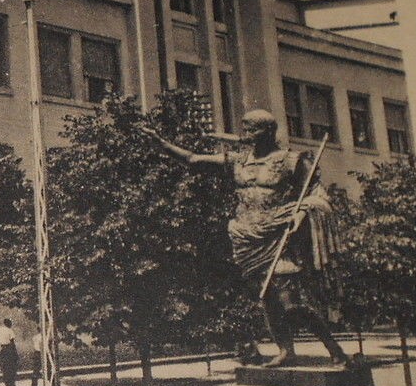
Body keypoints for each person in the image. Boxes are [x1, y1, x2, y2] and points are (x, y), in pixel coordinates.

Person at [142, 109, 351, 368]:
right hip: (247, 239)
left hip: (278, 235)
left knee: (291, 302)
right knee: (267, 299)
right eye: (246, 129)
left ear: (269, 132)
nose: (248, 135)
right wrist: (162, 144)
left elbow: (317, 193)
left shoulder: (291, 160)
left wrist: (303, 211)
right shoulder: (237, 161)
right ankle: (286, 350)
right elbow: (194, 160)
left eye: (253, 129)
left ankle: (336, 351)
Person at [0, 318, 20, 386]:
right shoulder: (9, 330)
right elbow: (12, 342)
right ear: (8, 323)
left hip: (2, 349)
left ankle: (7, 384)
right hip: (9, 349)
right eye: (10, 323)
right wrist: (15, 353)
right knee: (12, 367)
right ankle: (11, 383)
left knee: (5, 367)